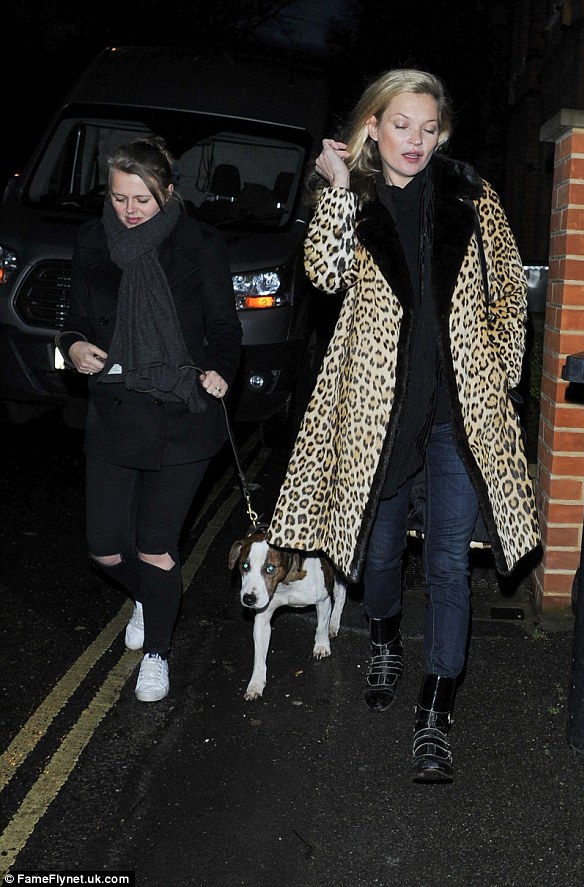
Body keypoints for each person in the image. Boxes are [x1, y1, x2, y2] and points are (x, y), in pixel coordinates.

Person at [267, 70, 541, 781]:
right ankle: (384, 635)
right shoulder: (353, 197)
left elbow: (509, 289)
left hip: (459, 412)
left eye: (428, 127)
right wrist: (336, 186)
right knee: (381, 554)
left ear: (441, 133)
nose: (415, 140)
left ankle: (435, 713)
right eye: (400, 124)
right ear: (373, 126)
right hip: (378, 413)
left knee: (448, 563)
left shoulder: (471, 195)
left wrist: (500, 369)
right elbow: (324, 276)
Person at [58, 135, 242, 703]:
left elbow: (224, 327)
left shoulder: (199, 244)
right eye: (118, 199)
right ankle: (152, 596)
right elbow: (75, 318)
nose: (129, 210)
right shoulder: (92, 241)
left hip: (182, 413)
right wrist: (73, 346)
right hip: (115, 411)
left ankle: (157, 653)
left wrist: (220, 369)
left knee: (155, 547)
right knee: (106, 549)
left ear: (167, 191)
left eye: (142, 199)